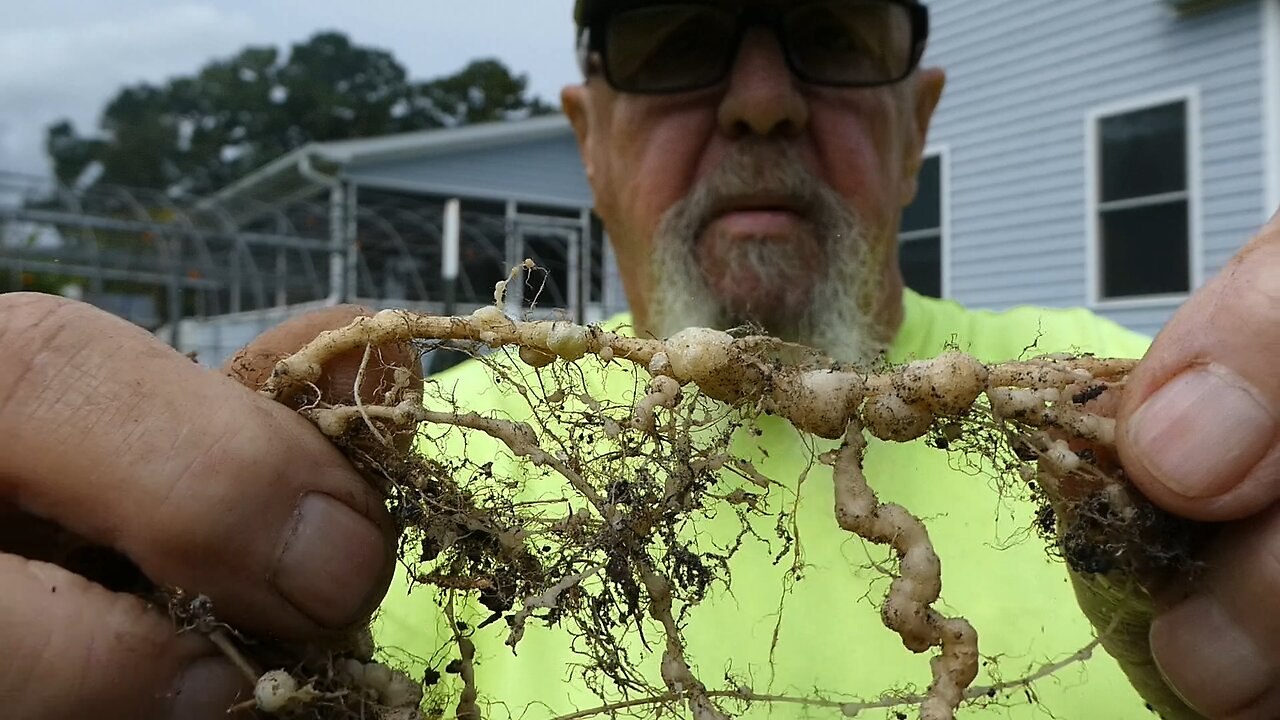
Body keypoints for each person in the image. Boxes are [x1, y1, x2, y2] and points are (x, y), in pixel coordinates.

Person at [0, 0, 1276, 717]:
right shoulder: (372, 484)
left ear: (915, 123)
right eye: (673, 40)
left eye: (831, 33)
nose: (761, 98)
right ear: (586, 139)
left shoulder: (1152, 436)